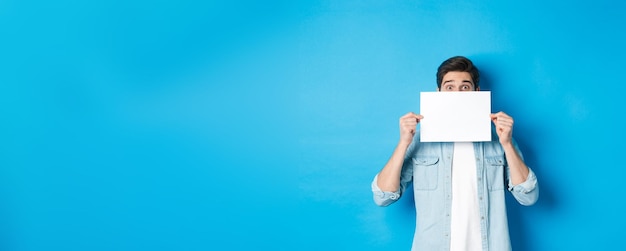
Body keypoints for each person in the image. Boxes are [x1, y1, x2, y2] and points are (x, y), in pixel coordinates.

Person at [371, 56, 539, 251]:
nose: (457, 93)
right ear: (438, 93)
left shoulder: (499, 138)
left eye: (465, 87)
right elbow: (382, 197)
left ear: (477, 93)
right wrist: (403, 143)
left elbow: (529, 197)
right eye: (449, 87)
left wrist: (507, 144)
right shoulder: (419, 138)